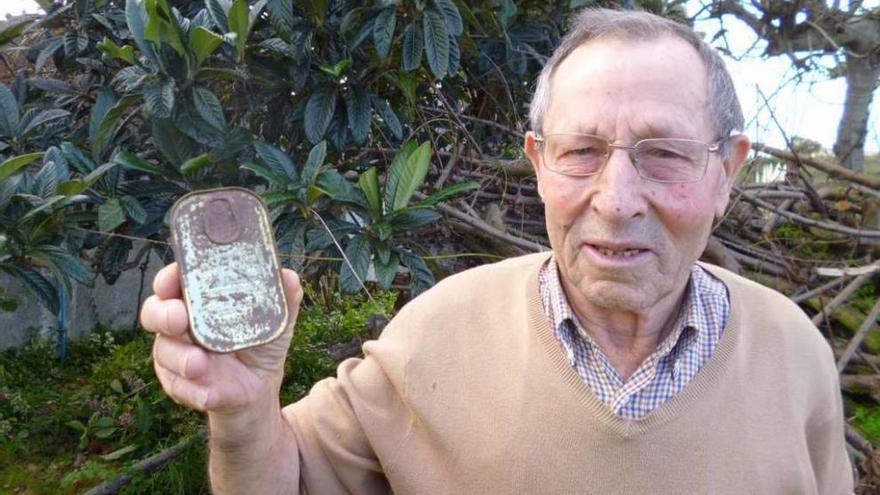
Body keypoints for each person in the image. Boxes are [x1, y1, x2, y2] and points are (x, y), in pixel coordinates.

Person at [140, 8, 853, 494]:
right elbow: (284, 478)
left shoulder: (795, 355)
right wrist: (243, 413)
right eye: (582, 151)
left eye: (663, 154)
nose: (617, 198)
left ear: (726, 172)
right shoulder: (436, 333)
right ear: (539, 163)